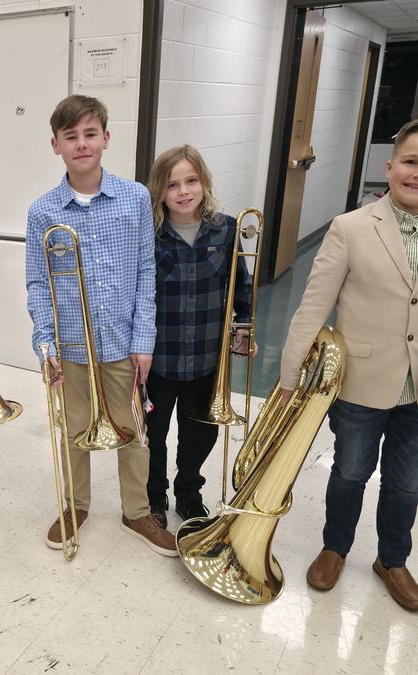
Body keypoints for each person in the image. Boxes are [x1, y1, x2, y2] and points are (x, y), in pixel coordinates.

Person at [280, 116, 418, 611]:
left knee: (406, 483)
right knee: (350, 472)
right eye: (411, 162)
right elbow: (313, 307)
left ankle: (392, 559)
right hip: (359, 382)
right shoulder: (350, 227)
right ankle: (335, 547)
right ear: (390, 165)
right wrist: (290, 379)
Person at [25, 94, 177, 557]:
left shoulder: (134, 199)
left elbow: (145, 274)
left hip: (121, 344)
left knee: (133, 432)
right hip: (69, 346)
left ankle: (136, 512)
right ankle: (75, 505)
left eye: (90, 134)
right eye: (70, 137)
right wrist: (45, 343)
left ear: (106, 139)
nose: (82, 144)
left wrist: (143, 340)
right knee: (74, 429)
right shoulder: (42, 211)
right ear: (56, 145)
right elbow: (37, 281)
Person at [144, 145, 253, 528]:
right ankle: (153, 497)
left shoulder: (225, 229)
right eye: (172, 184)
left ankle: (188, 493)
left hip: (207, 358)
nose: (183, 191)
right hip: (157, 359)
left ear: (204, 183)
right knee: (152, 436)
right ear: (159, 190)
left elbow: (241, 286)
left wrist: (243, 325)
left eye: (191, 181)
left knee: (199, 435)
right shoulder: (149, 233)